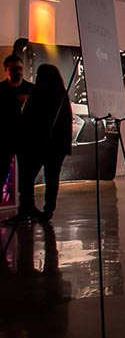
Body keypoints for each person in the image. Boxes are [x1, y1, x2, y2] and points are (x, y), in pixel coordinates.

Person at [13, 64, 72, 223]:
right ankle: (47, 210)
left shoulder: (39, 95)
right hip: (55, 147)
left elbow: (30, 120)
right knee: (52, 178)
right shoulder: (61, 95)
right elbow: (65, 124)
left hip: (37, 145)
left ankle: (27, 208)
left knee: (27, 178)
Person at [1, 55, 35, 225]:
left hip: (25, 140)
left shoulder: (31, 90)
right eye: (14, 69)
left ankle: (26, 210)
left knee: (26, 177)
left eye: (19, 68)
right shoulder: (1, 90)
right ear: (6, 70)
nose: (17, 72)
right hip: (5, 139)